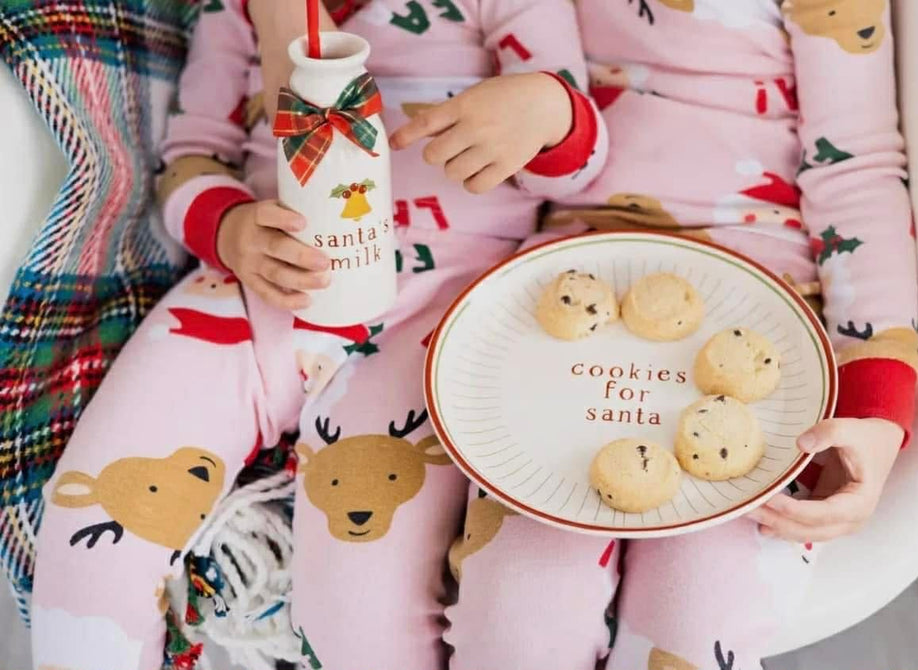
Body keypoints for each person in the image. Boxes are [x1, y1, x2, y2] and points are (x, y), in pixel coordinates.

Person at [253, 0, 918, 668]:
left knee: (694, 618)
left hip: (760, 308)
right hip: (563, 295)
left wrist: (876, 401)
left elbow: (856, 171)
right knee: (517, 621)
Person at [29, 0, 606, 667]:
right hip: (251, 287)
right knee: (91, 524)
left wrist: (544, 110)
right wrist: (229, 229)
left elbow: (583, 160)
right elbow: (187, 162)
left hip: (437, 298)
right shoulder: (236, 12)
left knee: (359, 602)